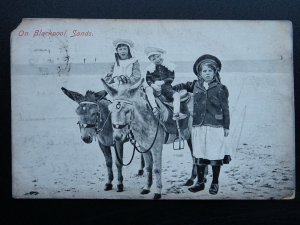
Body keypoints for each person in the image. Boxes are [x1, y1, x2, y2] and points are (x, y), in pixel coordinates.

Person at [173, 54, 230, 195]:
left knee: (215, 154)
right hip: (198, 126)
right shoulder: (195, 85)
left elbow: (226, 109)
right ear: (200, 73)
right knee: (199, 153)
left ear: (215, 72)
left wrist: (226, 126)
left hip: (215, 126)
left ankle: (215, 182)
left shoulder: (221, 88)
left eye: (210, 71)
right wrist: (168, 89)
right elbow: (181, 86)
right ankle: (200, 182)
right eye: (204, 71)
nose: (207, 74)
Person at [144, 46, 186, 120]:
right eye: (153, 59)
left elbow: (171, 77)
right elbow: (148, 79)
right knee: (148, 90)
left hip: (166, 89)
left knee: (176, 95)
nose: (156, 59)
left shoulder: (168, 66)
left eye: (157, 57)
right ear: (150, 60)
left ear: (160, 56)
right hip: (155, 89)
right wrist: (153, 85)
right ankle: (154, 108)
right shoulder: (150, 69)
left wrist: (163, 82)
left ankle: (176, 113)